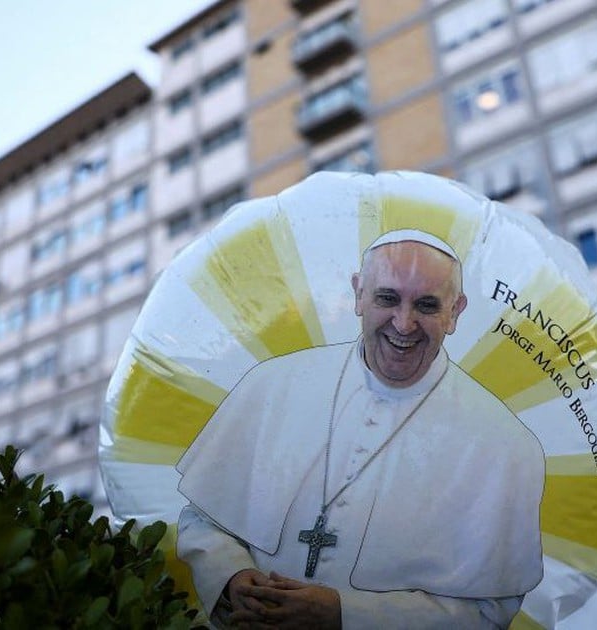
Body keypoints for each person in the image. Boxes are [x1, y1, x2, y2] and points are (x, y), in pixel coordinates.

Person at [176, 230, 545, 629]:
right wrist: (230, 577)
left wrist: (344, 615)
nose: (404, 324)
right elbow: (204, 518)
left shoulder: (504, 445)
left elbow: (489, 610)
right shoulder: (272, 385)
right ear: (358, 294)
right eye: (387, 298)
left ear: (455, 312)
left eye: (426, 305)